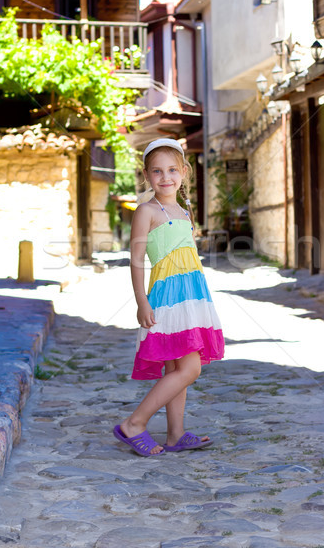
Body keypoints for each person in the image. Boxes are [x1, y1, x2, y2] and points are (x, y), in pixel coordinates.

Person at [113, 138, 225, 456]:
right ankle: (134, 423)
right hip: (166, 295)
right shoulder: (146, 211)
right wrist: (141, 301)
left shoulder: (184, 211)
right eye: (157, 171)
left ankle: (175, 435)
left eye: (172, 170)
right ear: (147, 175)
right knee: (190, 369)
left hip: (191, 295)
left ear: (184, 172)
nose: (166, 177)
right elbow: (136, 260)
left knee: (178, 368)